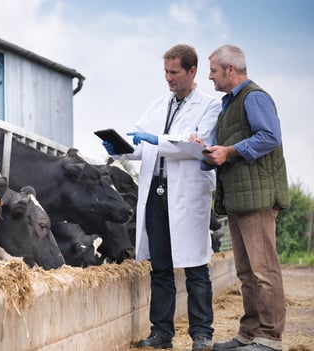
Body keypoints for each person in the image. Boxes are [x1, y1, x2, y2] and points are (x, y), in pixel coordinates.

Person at [103, 44, 220, 351]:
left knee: (195, 267)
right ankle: (162, 333)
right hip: (157, 192)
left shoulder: (210, 106)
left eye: (174, 72)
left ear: (192, 71)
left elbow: (195, 147)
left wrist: (159, 139)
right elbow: (142, 143)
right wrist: (123, 149)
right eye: (165, 72)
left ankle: (202, 334)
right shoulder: (159, 105)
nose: (168, 78)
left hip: (187, 194)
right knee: (161, 267)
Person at [203, 45, 290, 351]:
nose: (209, 76)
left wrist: (229, 151)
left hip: (259, 197)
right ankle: (249, 333)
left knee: (264, 271)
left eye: (213, 70)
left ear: (230, 69)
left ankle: (270, 338)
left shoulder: (254, 97)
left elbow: (269, 136)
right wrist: (208, 149)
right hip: (240, 197)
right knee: (246, 272)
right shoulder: (229, 104)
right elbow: (229, 146)